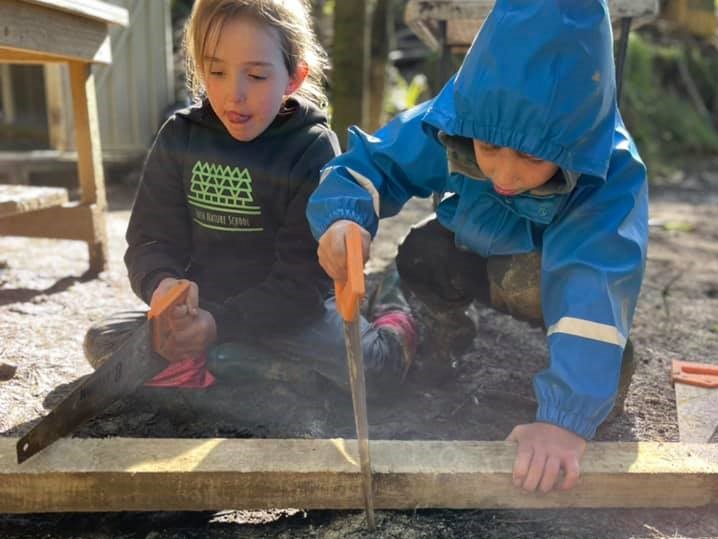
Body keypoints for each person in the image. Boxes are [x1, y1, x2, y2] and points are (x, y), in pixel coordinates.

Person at [306, 0, 648, 493]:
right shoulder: (463, 118)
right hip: (477, 248)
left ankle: (599, 372)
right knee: (423, 253)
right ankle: (438, 339)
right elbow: (373, 163)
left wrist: (564, 421)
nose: (504, 174)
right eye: (488, 150)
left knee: (585, 321)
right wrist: (344, 215)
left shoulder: (607, 174)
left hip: (556, 279)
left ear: (570, 140)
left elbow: (591, 288)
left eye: (531, 156)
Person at [83, 0, 415, 403]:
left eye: (256, 75)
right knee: (103, 342)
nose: (233, 94)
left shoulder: (311, 148)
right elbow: (151, 241)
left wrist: (219, 324)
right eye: (216, 71)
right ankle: (246, 365)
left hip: (290, 315)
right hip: (206, 308)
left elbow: (302, 283)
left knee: (371, 374)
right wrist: (162, 286)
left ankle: (393, 315)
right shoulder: (180, 136)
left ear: (294, 77)